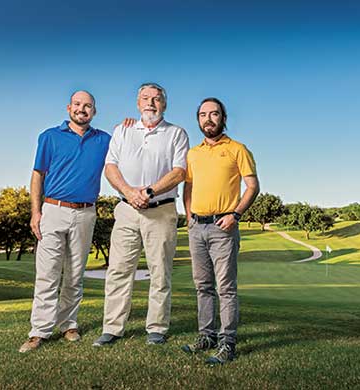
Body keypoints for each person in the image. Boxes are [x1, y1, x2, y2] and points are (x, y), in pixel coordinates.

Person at [93, 83, 189, 347]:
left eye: (156, 99)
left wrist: (148, 191)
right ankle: (112, 328)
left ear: (164, 104)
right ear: (137, 103)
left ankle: (156, 328)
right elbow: (110, 167)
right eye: (145, 98)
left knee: (160, 271)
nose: (151, 103)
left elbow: (179, 172)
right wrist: (128, 191)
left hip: (162, 210)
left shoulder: (176, 133)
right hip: (126, 209)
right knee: (119, 270)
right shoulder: (122, 130)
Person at [19, 91, 111, 353]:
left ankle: (69, 324)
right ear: (69, 107)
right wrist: (35, 212)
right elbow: (38, 175)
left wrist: (126, 125)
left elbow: (122, 155)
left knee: (74, 273)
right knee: (47, 273)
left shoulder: (104, 139)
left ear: (94, 111)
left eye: (88, 106)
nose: (82, 109)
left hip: (86, 213)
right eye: (78, 105)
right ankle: (39, 331)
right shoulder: (49, 137)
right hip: (53, 209)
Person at [182, 97, 259, 365]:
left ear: (223, 118)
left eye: (214, 114)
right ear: (198, 120)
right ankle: (206, 336)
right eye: (203, 114)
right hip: (196, 227)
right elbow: (188, 187)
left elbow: (252, 186)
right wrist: (189, 214)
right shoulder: (193, 153)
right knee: (202, 286)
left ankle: (228, 342)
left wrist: (235, 214)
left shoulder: (238, 149)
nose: (208, 119)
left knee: (225, 288)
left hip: (222, 227)